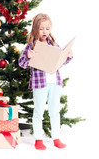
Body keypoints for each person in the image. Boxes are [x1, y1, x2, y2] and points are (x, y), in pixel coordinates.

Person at [18, 13, 73, 150]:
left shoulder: (53, 44)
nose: (45, 32)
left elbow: (61, 60)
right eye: (41, 28)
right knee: (39, 112)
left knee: (54, 111)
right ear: (35, 28)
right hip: (40, 84)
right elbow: (22, 64)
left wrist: (68, 56)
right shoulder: (31, 46)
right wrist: (28, 56)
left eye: (47, 29)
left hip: (55, 82)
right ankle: (38, 140)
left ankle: (56, 138)